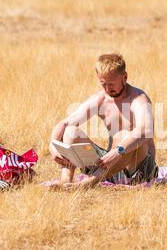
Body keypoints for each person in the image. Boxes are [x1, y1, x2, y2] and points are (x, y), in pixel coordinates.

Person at [49, 53, 158, 188]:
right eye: (103, 84)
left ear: (124, 77)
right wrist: (52, 145)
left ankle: (89, 182)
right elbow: (65, 123)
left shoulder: (138, 98)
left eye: (111, 84)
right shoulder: (101, 99)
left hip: (138, 171)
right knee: (71, 131)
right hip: (109, 167)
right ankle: (65, 181)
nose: (107, 89)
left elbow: (146, 130)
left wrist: (118, 151)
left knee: (124, 134)